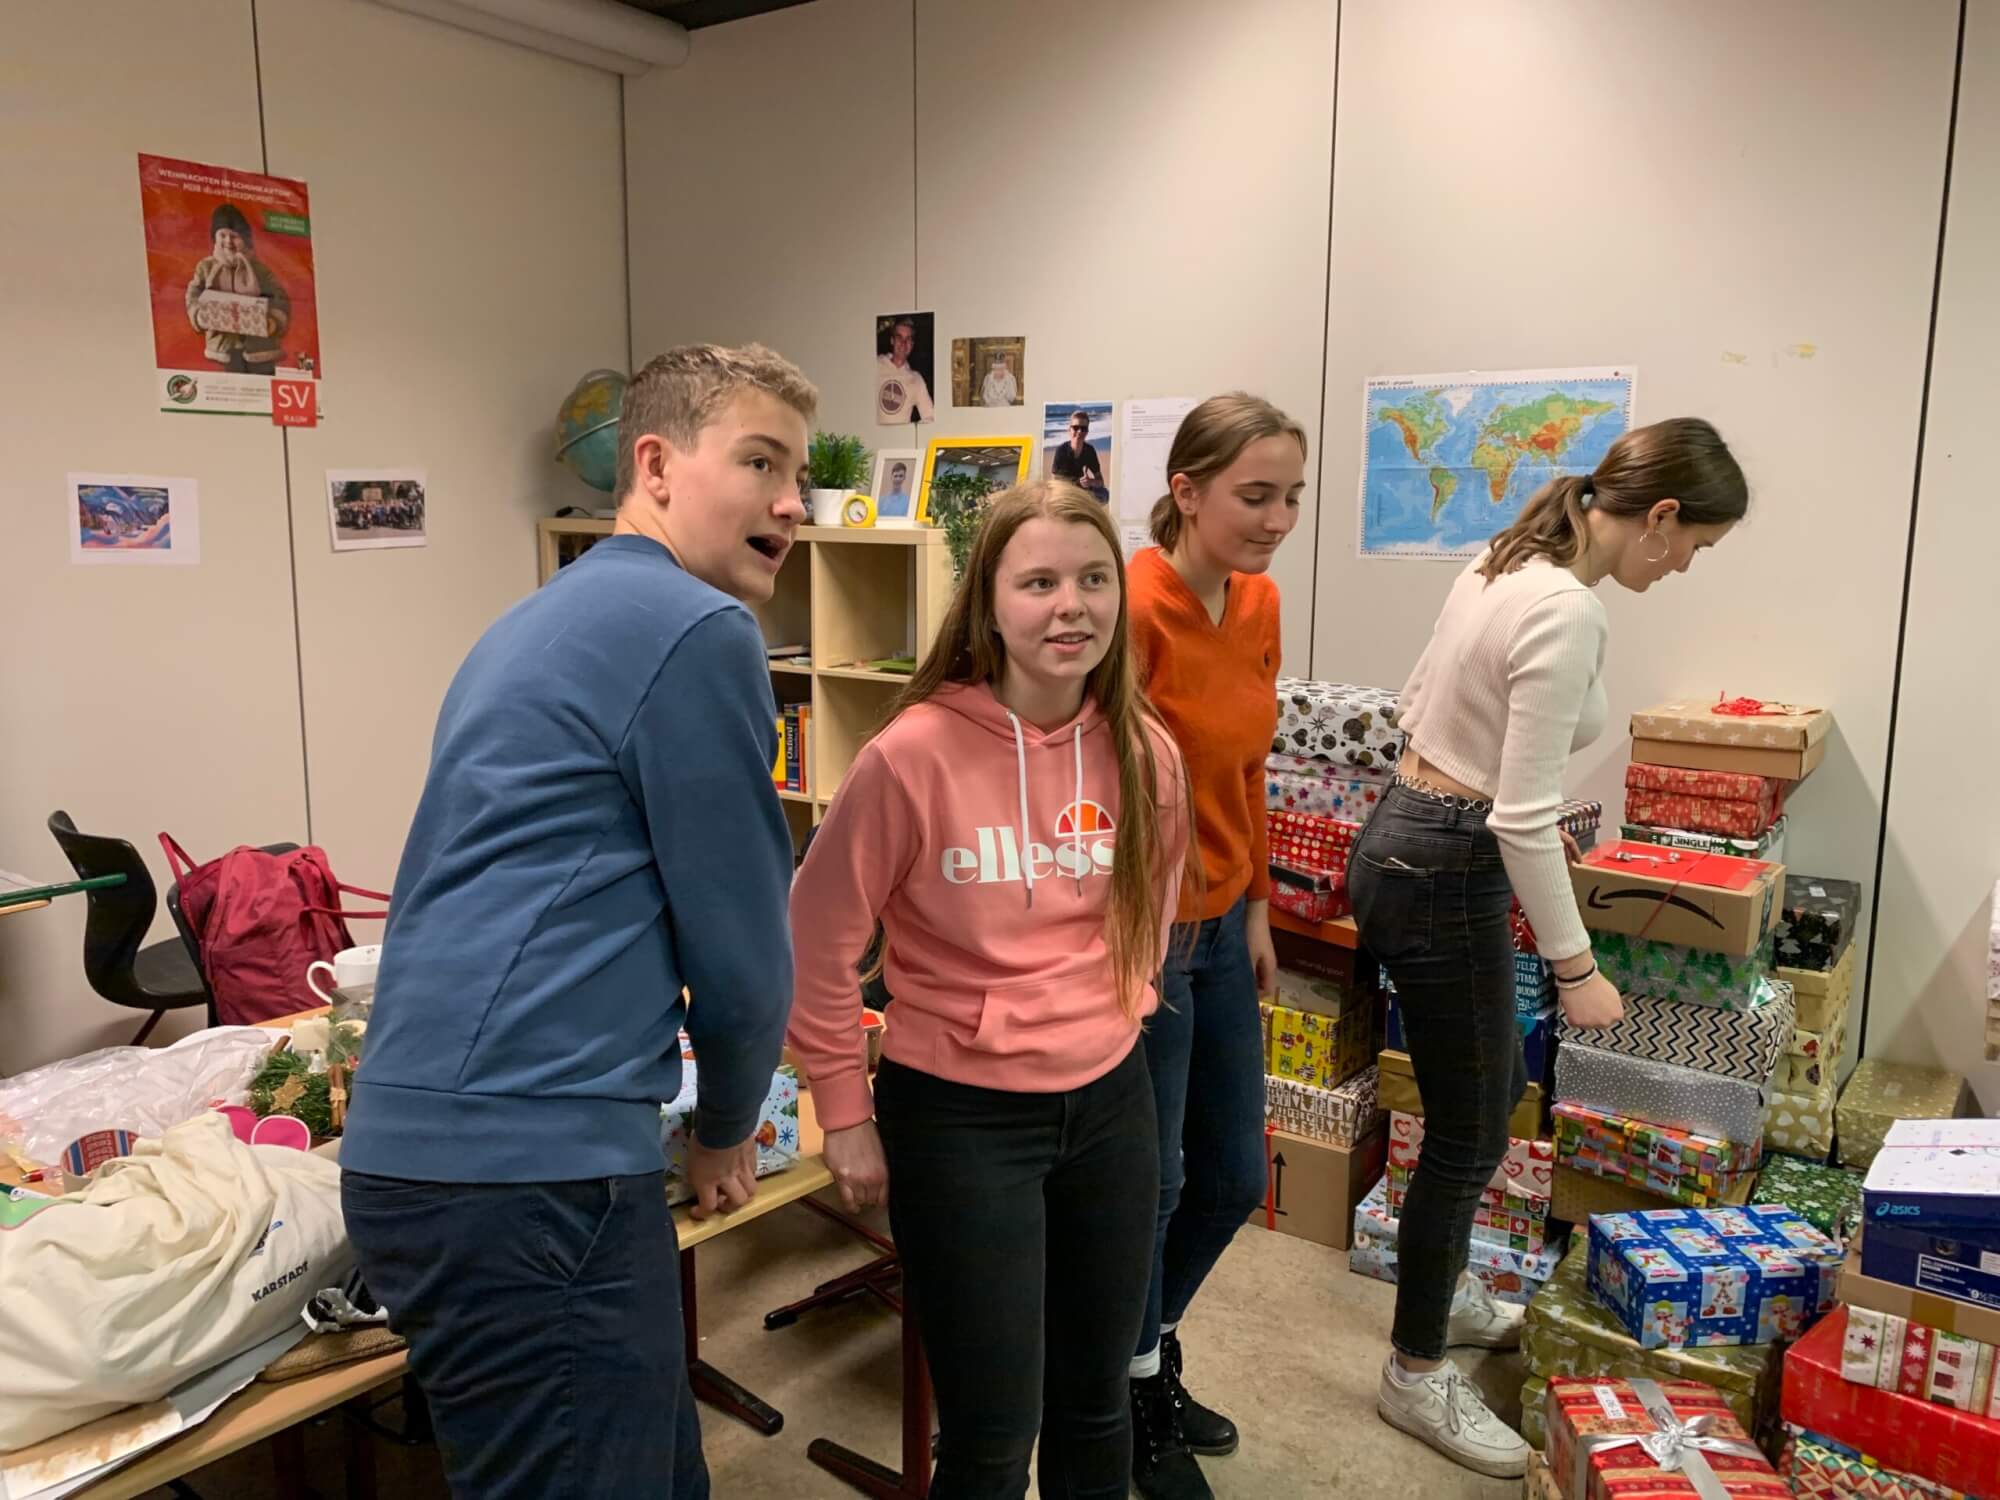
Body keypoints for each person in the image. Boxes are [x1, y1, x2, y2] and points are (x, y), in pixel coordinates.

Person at [338, 343, 818, 1499]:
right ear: (652, 466)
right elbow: (744, 952)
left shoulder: (531, 624)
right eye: (759, 462)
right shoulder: (697, 630)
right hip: (528, 1172)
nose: (792, 502)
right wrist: (727, 1127)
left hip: (438, 1146)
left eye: (798, 474)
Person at [1351, 418, 1749, 1479]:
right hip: (1444, 866)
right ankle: (1413, 1371)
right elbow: (1520, 815)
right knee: (1471, 1129)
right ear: (1660, 516)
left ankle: (1441, 1297)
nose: (1684, 567)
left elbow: (1421, 707)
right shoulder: (1567, 607)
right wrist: (1578, 969)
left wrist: (1485, 814)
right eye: (1694, 546)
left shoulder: (1505, 559)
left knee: (1471, 1112)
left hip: (1409, 836)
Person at [787, 480, 1191, 1500]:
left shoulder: (1143, 750)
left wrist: (1112, 1006)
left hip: (1111, 1104)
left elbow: (1152, 907)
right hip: (959, 1118)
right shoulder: (910, 755)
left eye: (1093, 579)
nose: (1071, 606)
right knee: (992, 1433)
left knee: (1096, 1400)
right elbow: (817, 938)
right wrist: (844, 1110)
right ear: (989, 603)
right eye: (1039, 582)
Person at [1123, 394, 1307, 1500]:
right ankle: (1129, 1392)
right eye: (1255, 496)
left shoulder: (1259, 600)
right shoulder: (1131, 606)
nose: (1277, 519)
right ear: (1186, 492)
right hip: (1145, 936)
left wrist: (1258, 908)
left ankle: (1145, 1348)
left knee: (1234, 1175)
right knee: (1153, 1185)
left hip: (1223, 926)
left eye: (1291, 497)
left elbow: (1247, 769)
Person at [184, 202, 290, 376]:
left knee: (262, 386)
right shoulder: (206, 268)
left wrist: (273, 322)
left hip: (260, 349)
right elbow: (193, 295)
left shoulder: (259, 270)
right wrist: (199, 316)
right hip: (223, 348)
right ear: (215, 237)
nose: (228, 241)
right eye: (222, 235)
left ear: (245, 239)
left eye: (234, 236)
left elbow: (280, 298)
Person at [877, 315, 936, 424]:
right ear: (892, 340)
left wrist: (913, 430)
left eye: (908, 339)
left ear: (912, 345)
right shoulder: (876, 365)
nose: (903, 343)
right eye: (899, 337)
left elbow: (930, 416)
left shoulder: (916, 379)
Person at [1051, 409, 1109, 501]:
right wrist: (1077, 482)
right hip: (1065, 491)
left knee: (1104, 494)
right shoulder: (1061, 450)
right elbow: (1055, 481)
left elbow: (1100, 482)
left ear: (1087, 431)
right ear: (1069, 430)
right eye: (1075, 428)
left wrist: (1091, 482)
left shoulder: (1089, 450)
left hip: (1083, 490)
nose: (1079, 431)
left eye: (1083, 428)